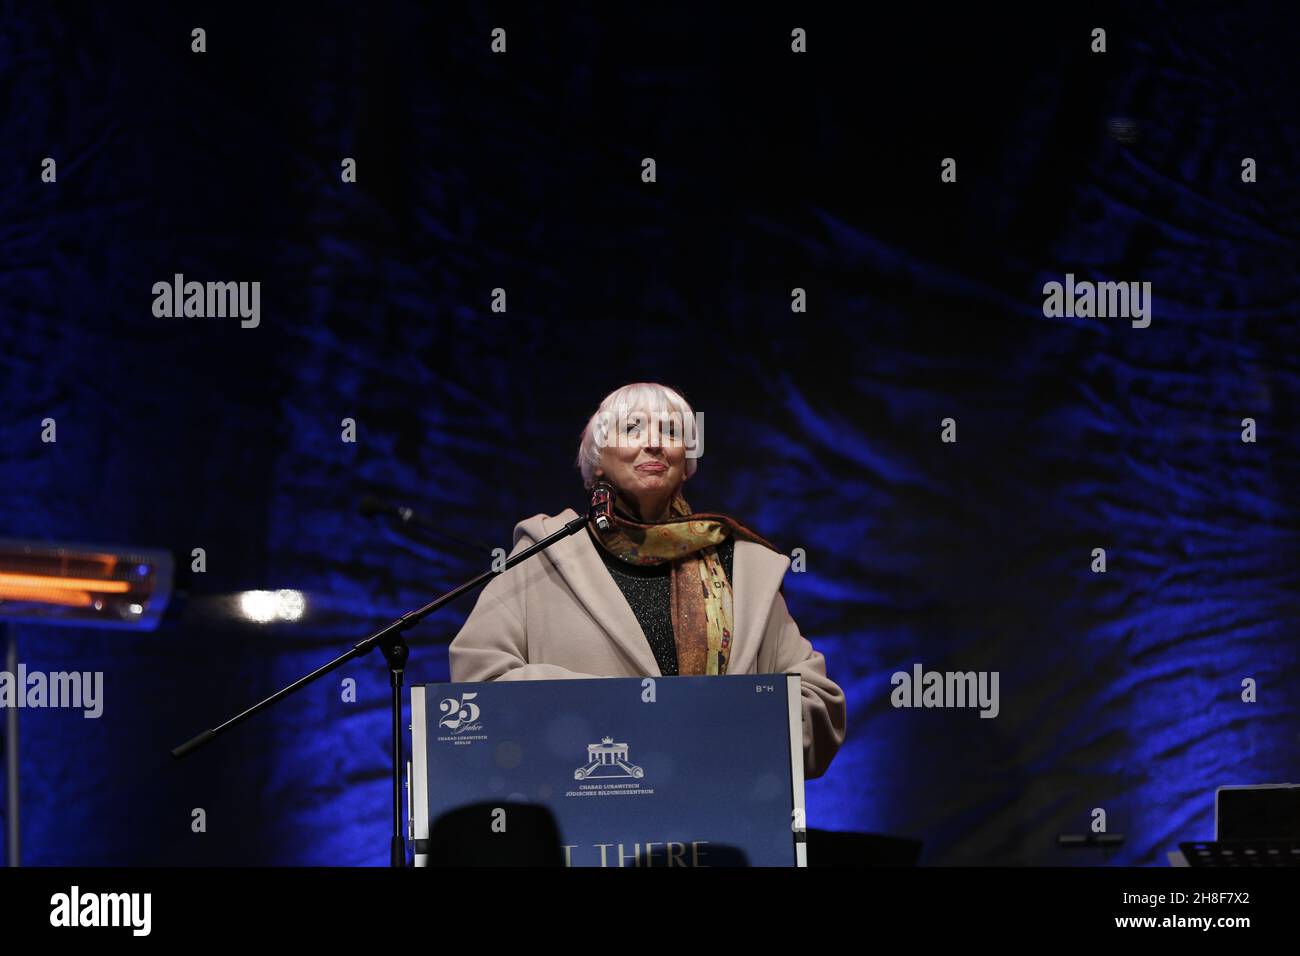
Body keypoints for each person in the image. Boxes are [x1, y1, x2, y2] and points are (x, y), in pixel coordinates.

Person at [449, 382, 847, 779]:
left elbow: (819, 708)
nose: (655, 443)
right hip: (588, 819)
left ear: (687, 460)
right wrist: (618, 711)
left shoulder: (742, 565)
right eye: (632, 428)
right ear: (597, 458)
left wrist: (731, 725)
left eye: (671, 432)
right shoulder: (542, 556)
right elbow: (481, 682)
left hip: (722, 816)